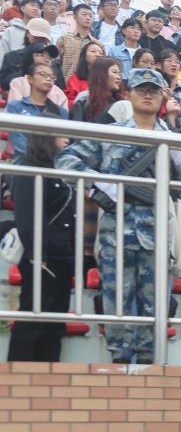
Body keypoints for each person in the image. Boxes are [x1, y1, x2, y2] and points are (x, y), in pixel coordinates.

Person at [56, 68, 181, 364]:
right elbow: (66, 159)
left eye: (154, 90)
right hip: (116, 234)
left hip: (156, 235)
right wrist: (99, 182)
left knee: (155, 307)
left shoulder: (170, 139)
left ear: (162, 96)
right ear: (128, 93)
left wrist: (176, 155)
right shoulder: (113, 133)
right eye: (141, 89)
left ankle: (148, 366)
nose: (147, 95)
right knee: (117, 303)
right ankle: (120, 365)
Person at [7, 130, 75, 362]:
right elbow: (26, 215)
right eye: (61, 134)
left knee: (54, 325)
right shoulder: (28, 167)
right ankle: (19, 377)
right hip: (41, 256)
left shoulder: (60, 168)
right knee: (32, 321)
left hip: (62, 256)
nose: (67, 139)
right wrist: (37, 254)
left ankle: (49, 377)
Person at [6, 42, 67, 111]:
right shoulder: (18, 83)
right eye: (40, 55)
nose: (46, 60)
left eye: (49, 57)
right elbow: (15, 112)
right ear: (29, 58)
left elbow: (63, 115)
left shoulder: (58, 92)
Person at [69, 57, 124, 124]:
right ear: (101, 74)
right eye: (114, 72)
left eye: (119, 73)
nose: (119, 77)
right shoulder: (83, 103)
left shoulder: (121, 103)